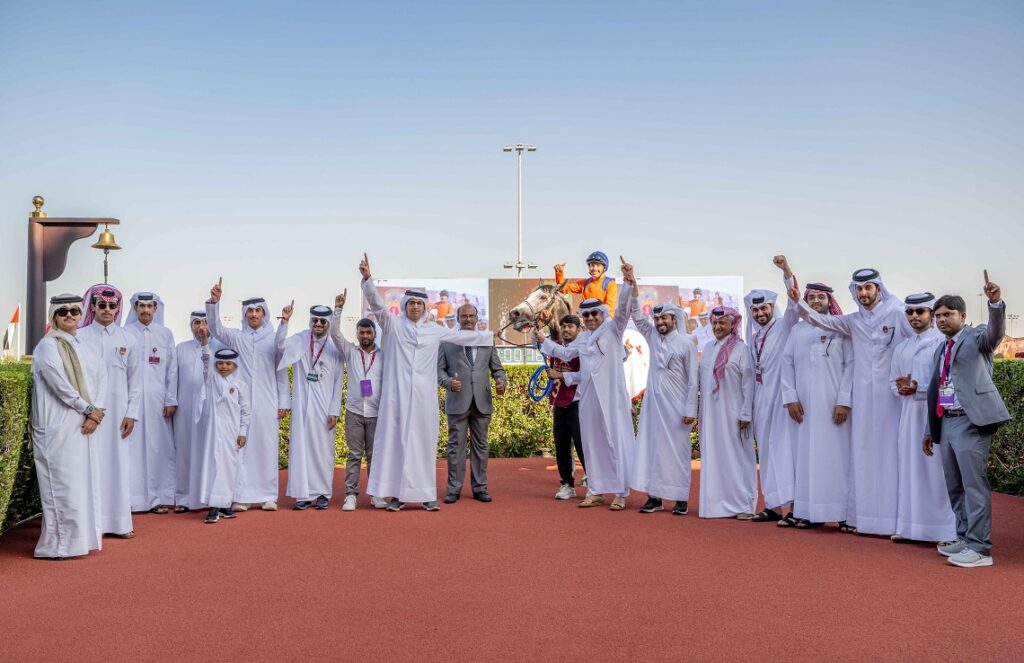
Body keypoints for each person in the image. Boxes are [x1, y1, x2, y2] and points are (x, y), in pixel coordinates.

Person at [359, 254, 495, 511]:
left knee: (423, 445)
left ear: (424, 308)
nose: (415, 308)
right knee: (398, 445)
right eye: (411, 304)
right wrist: (368, 279)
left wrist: (491, 335)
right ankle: (398, 495)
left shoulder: (435, 330)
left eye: (419, 304)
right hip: (397, 399)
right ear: (405, 305)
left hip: (424, 400)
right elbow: (377, 305)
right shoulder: (392, 325)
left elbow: (465, 338)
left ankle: (426, 495)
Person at [788, 266, 912, 535]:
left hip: (892, 398)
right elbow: (818, 320)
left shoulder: (897, 312)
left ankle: (896, 520)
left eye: (869, 287)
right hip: (864, 400)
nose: (864, 293)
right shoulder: (852, 322)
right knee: (862, 456)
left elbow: (917, 341)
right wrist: (797, 300)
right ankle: (864, 519)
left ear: (879, 288)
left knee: (892, 455)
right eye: (859, 289)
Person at [538, 256, 637, 511]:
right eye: (587, 314)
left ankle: (620, 493)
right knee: (592, 444)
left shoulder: (613, 330)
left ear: (602, 313)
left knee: (614, 442)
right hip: (588, 399)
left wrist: (628, 281)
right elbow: (564, 353)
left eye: (595, 313)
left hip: (612, 398)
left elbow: (623, 310)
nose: (591, 317)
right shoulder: (582, 339)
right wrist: (540, 339)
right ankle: (595, 491)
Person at [926, 273, 1011, 568]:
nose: (941, 320)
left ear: (962, 316)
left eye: (947, 314)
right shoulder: (941, 349)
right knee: (955, 486)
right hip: (947, 421)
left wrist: (995, 303)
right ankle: (964, 537)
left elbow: (996, 333)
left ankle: (980, 548)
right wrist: (929, 429)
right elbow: (937, 389)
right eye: (937, 316)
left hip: (971, 422)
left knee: (974, 485)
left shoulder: (977, 337)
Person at [30, 294, 107, 559]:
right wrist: (88, 409)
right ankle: (57, 546)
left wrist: (95, 413)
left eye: (74, 310)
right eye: (63, 311)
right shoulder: (47, 346)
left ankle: (80, 542)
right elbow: (60, 385)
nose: (70, 315)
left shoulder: (83, 345)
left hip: (83, 425)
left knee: (80, 485)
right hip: (57, 426)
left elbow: (100, 377)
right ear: (54, 316)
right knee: (61, 485)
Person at [206, 279, 288, 511]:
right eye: (250, 311)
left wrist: (283, 401)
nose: (253, 314)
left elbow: (281, 369)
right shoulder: (237, 337)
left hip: (267, 400)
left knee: (266, 446)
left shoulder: (273, 338)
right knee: (241, 446)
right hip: (240, 403)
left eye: (257, 311)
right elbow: (216, 328)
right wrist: (214, 302)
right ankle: (241, 496)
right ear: (244, 315)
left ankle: (268, 496)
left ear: (264, 313)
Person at [780, 282, 853, 528]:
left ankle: (843, 514)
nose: (816, 302)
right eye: (811, 298)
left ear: (829, 300)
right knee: (806, 459)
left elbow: (851, 365)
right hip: (804, 409)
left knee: (837, 459)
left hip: (834, 407)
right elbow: (787, 363)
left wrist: (844, 401)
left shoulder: (840, 327)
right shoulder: (797, 330)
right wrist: (790, 397)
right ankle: (808, 512)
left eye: (821, 297)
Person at [890, 294, 957, 544]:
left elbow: (948, 382)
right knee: (910, 469)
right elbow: (892, 382)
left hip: (936, 416)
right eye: (910, 312)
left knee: (937, 472)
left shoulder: (943, 343)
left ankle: (946, 531)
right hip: (908, 416)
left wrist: (921, 390)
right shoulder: (902, 347)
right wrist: (900, 388)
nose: (914, 316)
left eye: (920, 311)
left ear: (930, 313)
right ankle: (910, 528)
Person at [77, 284, 141, 538]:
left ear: (117, 309)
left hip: (118, 414)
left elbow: (136, 381)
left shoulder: (128, 339)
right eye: (101, 305)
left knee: (117, 465)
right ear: (92, 307)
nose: (106, 309)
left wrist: (131, 413)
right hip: (87, 413)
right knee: (88, 465)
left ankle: (118, 523)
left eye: (111, 306)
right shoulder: (80, 336)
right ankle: (90, 524)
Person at [629, 297, 698, 515]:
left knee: (678, 453)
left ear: (674, 319)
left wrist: (691, 409)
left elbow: (693, 380)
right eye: (657, 318)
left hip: (678, 409)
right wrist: (633, 291)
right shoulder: (652, 337)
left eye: (664, 318)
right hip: (654, 408)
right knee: (654, 451)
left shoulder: (686, 344)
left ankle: (680, 499)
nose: (660, 322)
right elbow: (637, 318)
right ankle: (655, 497)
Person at [746, 256, 800, 525]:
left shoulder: (783, 326)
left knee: (784, 451)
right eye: (755, 310)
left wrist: (786, 271)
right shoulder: (754, 337)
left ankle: (794, 507)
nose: (760, 314)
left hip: (782, 399)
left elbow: (794, 303)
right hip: (761, 401)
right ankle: (773, 505)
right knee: (766, 452)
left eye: (764, 308)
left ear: (772, 308)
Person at [277, 303, 344, 511]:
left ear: (328, 323)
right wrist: (284, 322)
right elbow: (279, 347)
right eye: (315, 320)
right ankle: (303, 495)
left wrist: (334, 410)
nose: (318, 324)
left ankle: (323, 493)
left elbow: (338, 382)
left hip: (324, 408)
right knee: (301, 449)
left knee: (323, 451)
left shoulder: (334, 348)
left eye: (323, 321)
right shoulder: (300, 340)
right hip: (302, 406)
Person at [438, 304, 507, 503]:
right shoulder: (447, 341)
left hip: (482, 402)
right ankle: (454, 489)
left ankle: (480, 488)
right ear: (457, 318)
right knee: (455, 447)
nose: (468, 319)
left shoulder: (487, 340)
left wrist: (501, 382)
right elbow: (439, 370)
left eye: (471, 316)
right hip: (457, 401)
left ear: (477, 318)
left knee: (481, 446)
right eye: (464, 316)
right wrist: (448, 383)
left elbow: (497, 369)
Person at [697, 306, 755, 519]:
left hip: (733, 413)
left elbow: (748, 383)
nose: (718, 326)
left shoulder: (740, 348)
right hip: (710, 415)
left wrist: (745, 413)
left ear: (733, 324)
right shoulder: (708, 348)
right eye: (715, 323)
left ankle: (743, 505)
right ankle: (715, 505)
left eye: (722, 322)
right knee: (714, 457)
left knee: (737, 458)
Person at [124, 292, 178, 514]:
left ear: (155, 309)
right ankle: (131, 500)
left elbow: (172, 369)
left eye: (149, 306)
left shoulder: (165, 334)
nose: (145, 310)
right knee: (131, 449)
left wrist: (171, 399)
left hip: (158, 401)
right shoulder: (125, 333)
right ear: (135, 308)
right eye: (142, 306)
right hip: (130, 402)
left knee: (158, 449)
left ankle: (158, 498)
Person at [331, 291, 386, 511]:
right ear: (357, 334)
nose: (365, 335)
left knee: (375, 456)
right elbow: (334, 333)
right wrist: (338, 309)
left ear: (374, 334)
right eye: (361, 332)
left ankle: (376, 494)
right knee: (354, 455)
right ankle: (350, 495)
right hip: (354, 411)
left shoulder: (383, 355)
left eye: (368, 332)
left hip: (376, 412)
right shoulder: (350, 352)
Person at [196, 340, 249, 525]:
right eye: (220, 363)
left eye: (228, 363)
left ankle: (225, 504)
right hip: (213, 432)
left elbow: (245, 411)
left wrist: (243, 432)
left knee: (229, 467)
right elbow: (206, 363)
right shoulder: (212, 380)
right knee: (214, 465)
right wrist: (204, 343)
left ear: (235, 365)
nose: (224, 367)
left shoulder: (241, 385)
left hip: (232, 433)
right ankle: (214, 506)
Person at [173, 311, 216, 511]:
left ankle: (210, 497)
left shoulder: (220, 347)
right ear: (191, 326)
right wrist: (170, 401)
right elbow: (172, 376)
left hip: (211, 407)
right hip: (184, 407)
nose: (201, 327)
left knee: (208, 451)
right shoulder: (181, 348)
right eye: (197, 322)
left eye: (205, 322)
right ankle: (183, 498)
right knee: (184, 451)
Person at [547, 314, 587, 500]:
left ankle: (594, 484)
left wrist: (560, 375)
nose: (566, 330)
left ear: (578, 329)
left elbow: (584, 375)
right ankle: (566, 484)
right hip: (559, 402)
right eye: (564, 326)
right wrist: (536, 325)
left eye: (570, 327)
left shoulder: (583, 348)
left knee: (583, 445)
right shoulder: (556, 346)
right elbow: (536, 342)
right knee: (561, 446)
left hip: (578, 403)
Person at [553, 251, 620, 316]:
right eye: (592, 265)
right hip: (588, 319)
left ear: (604, 268)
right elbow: (563, 288)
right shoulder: (585, 283)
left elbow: (609, 306)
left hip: (604, 320)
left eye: (598, 265)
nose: (594, 268)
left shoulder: (610, 284)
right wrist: (559, 273)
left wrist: (593, 314)